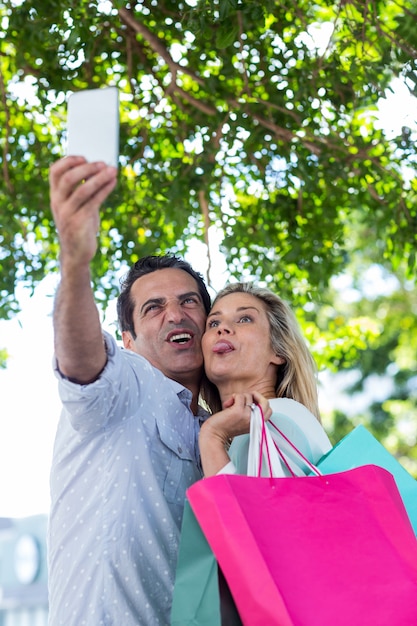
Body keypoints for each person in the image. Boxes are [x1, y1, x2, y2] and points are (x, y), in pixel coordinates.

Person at [48, 156, 213, 625]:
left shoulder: (217, 433)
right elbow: (80, 363)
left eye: (189, 302)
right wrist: (75, 262)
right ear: (128, 340)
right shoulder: (126, 382)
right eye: (153, 308)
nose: (176, 315)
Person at [198, 282, 332, 477]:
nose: (223, 328)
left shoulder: (278, 419)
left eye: (244, 319)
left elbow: (242, 509)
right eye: (214, 323)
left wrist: (211, 435)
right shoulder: (253, 429)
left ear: (278, 351)